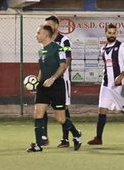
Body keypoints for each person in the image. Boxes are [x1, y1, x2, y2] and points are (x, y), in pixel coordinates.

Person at [27, 23, 82, 152]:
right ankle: (38, 145)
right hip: (43, 87)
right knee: (37, 113)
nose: (36, 35)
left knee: (60, 119)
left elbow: (63, 66)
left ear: (46, 35)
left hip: (57, 86)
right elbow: (42, 69)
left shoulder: (58, 49)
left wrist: (52, 79)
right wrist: (37, 83)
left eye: (38, 33)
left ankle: (76, 134)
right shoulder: (41, 51)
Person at [87, 23, 124, 146]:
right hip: (106, 84)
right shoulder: (103, 48)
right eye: (109, 33)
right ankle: (98, 138)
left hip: (119, 86)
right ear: (106, 33)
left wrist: (121, 76)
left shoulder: (121, 46)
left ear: (116, 33)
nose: (112, 35)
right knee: (102, 110)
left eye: (114, 33)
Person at [41, 15, 75, 148]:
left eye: (49, 25)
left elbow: (67, 61)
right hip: (46, 80)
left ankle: (66, 139)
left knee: (63, 109)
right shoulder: (45, 41)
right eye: (45, 26)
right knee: (41, 106)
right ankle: (44, 138)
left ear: (56, 25)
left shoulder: (64, 41)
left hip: (60, 80)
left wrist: (55, 77)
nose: (47, 27)